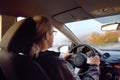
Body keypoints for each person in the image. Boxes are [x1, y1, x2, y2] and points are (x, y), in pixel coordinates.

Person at [30, 16, 100, 80]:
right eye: (53, 32)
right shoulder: (56, 63)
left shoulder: (29, 59)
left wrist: (62, 59)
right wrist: (94, 66)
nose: (53, 36)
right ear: (47, 35)